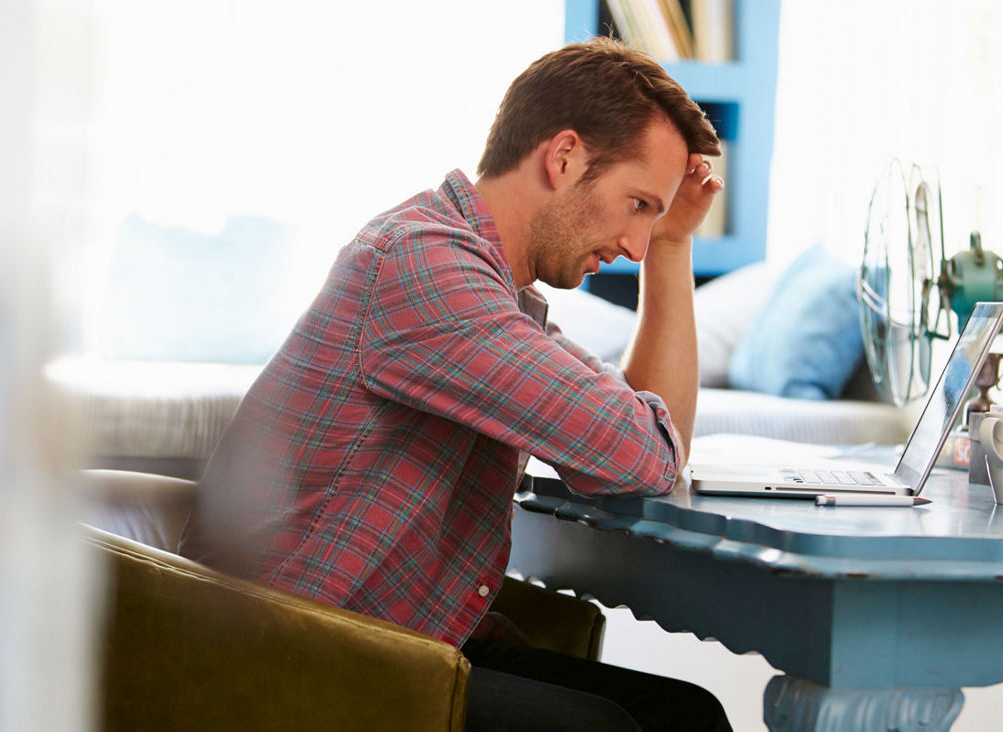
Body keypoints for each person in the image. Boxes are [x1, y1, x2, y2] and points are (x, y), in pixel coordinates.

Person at [179, 38, 730, 731]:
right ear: (564, 158)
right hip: (290, 662)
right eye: (639, 204)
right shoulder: (424, 267)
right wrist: (648, 437)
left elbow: (653, 442)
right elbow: (642, 456)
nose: (636, 244)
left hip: (386, 643)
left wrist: (676, 248)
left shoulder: (492, 295)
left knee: (684, 715)